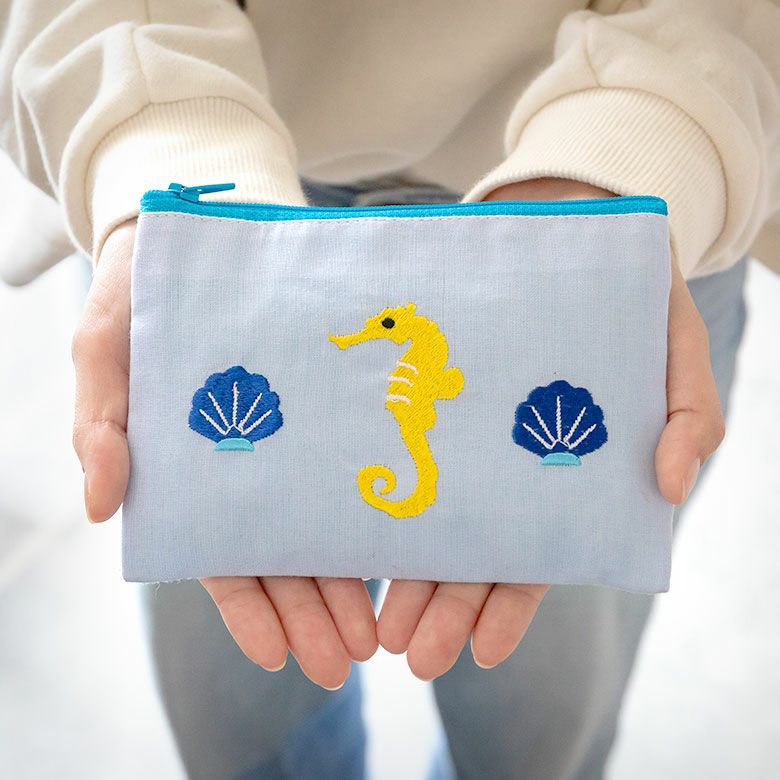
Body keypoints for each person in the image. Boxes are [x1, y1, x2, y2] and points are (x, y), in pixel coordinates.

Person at [1, 2, 777, 778]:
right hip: (214, 194)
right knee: (245, 728)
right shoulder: (409, 351)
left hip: (605, 210)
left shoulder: (423, 355)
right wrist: (149, 128)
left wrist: (649, 136)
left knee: (538, 739)